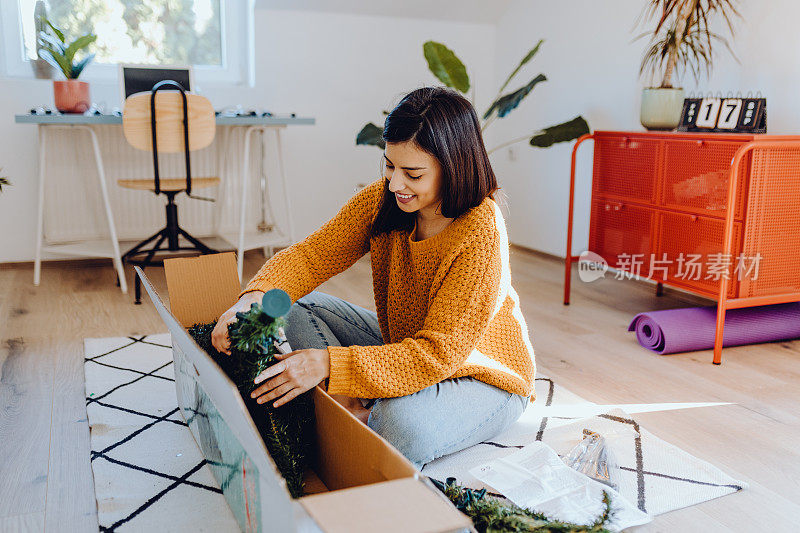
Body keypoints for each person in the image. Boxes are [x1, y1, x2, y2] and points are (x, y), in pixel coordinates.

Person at [211, 86, 536, 470]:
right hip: (408, 346)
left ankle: (358, 415)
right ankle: (349, 410)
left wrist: (329, 364)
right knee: (289, 307)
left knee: (399, 426)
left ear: (454, 166)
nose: (395, 183)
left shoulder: (481, 229)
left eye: (412, 173)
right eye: (389, 166)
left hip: (483, 375)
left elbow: (438, 355)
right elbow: (312, 256)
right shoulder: (386, 200)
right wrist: (254, 299)